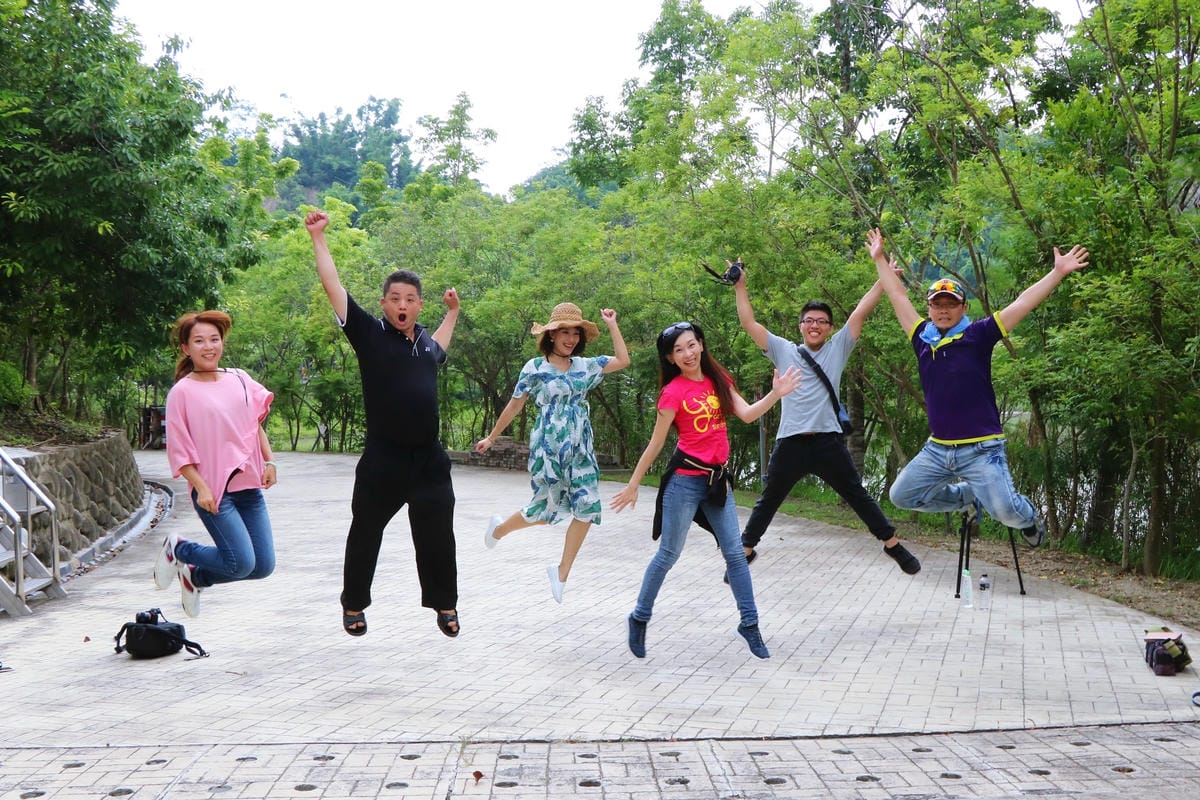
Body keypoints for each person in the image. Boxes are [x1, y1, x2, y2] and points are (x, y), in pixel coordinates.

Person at [866, 228, 1090, 545]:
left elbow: (1022, 304)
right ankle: (968, 497)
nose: (943, 309)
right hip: (938, 449)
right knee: (901, 496)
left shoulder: (978, 335)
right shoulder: (920, 339)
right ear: (929, 308)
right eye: (937, 304)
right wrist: (879, 259)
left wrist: (1057, 273)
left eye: (951, 304)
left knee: (1006, 514)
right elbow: (897, 296)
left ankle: (1028, 518)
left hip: (982, 450)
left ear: (963, 308)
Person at [304, 210, 461, 638]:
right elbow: (332, 286)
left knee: (437, 536)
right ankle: (353, 603)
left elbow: (441, 346)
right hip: (383, 460)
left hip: (429, 459)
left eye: (410, 299)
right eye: (395, 298)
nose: (403, 305)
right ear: (384, 303)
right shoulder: (369, 335)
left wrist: (453, 313)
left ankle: (444, 603)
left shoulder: (427, 343)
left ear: (418, 304)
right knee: (365, 532)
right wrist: (319, 238)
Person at [611, 321, 800, 660]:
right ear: (670, 358)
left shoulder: (719, 380)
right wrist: (634, 483)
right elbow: (656, 443)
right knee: (668, 554)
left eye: (691, 344)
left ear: (701, 343)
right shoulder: (673, 392)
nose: (688, 353)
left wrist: (776, 394)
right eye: (679, 350)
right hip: (684, 481)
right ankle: (639, 617)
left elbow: (746, 414)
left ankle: (750, 625)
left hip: (717, 483)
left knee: (735, 554)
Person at [732, 262, 921, 576]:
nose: (815, 326)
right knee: (769, 499)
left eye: (821, 321)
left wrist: (882, 278)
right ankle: (745, 551)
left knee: (856, 494)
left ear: (830, 328)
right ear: (800, 326)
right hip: (790, 441)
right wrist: (740, 286)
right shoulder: (782, 349)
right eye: (809, 321)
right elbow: (749, 323)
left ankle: (891, 543)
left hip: (827, 442)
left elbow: (859, 314)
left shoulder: (838, 348)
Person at [475, 302, 630, 603]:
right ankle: (500, 529)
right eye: (564, 333)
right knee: (546, 511)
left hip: (580, 445)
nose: (570, 339)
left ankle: (561, 572)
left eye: (575, 333)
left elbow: (623, 360)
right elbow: (515, 404)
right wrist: (492, 438)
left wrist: (612, 324)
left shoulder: (585, 366)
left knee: (587, 506)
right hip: (549, 445)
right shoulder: (534, 368)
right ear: (551, 335)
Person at [156, 310, 277, 618]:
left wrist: (269, 460)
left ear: (222, 342)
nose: (208, 347)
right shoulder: (181, 392)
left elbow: (255, 425)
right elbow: (179, 453)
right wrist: (201, 488)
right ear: (186, 348)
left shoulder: (239, 379)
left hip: (249, 488)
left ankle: (196, 576)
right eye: (199, 341)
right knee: (241, 563)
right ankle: (179, 549)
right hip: (214, 493)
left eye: (214, 339)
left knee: (263, 567)